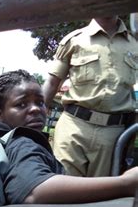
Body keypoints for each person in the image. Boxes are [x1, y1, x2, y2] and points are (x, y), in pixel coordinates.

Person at [0, 69, 138, 205]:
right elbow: (33, 191)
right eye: (21, 104)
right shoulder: (22, 142)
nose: (35, 109)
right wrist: (125, 184)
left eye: (40, 102)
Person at [43, 16, 138, 177]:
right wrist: (34, 120)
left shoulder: (134, 43)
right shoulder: (74, 40)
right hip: (73, 128)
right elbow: (52, 83)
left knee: (101, 196)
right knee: (62, 192)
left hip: (114, 135)